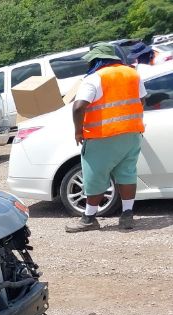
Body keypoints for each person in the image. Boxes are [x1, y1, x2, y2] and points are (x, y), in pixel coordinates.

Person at [65, 43, 146, 233]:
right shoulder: (132, 74)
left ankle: (89, 218)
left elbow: (78, 107)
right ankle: (127, 216)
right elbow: (142, 100)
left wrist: (78, 131)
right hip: (132, 134)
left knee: (94, 177)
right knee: (127, 174)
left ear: (97, 60)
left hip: (103, 137)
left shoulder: (94, 78)